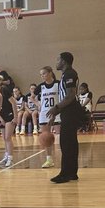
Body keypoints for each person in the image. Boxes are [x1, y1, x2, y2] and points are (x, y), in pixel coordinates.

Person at [44, 51, 85, 184]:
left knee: (67, 143)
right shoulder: (66, 75)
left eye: (58, 60)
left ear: (64, 61)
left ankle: (65, 173)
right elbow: (66, 97)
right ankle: (72, 172)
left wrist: (55, 108)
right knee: (70, 143)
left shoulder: (70, 74)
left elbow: (70, 96)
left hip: (71, 111)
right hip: (68, 111)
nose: (56, 62)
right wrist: (56, 113)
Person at [0, 73, 19, 168]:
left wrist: (16, 117)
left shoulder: (4, 90)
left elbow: (13, 103)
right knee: (4, 138)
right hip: (2, 116)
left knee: (8, 137)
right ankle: (6, 155)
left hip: (10, 115)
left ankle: (10, 158)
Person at [36, 67, 58, 168]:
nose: (42, 76)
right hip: (44, 113)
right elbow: (31, 96)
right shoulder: (40, 86)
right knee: (46, 137)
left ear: (50, 73)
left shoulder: (58, 84)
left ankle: (65, 157)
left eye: (44, 73)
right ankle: (49, 159)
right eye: (41, 74)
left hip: (57, 112)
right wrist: (39, 104)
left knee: (60, 136)